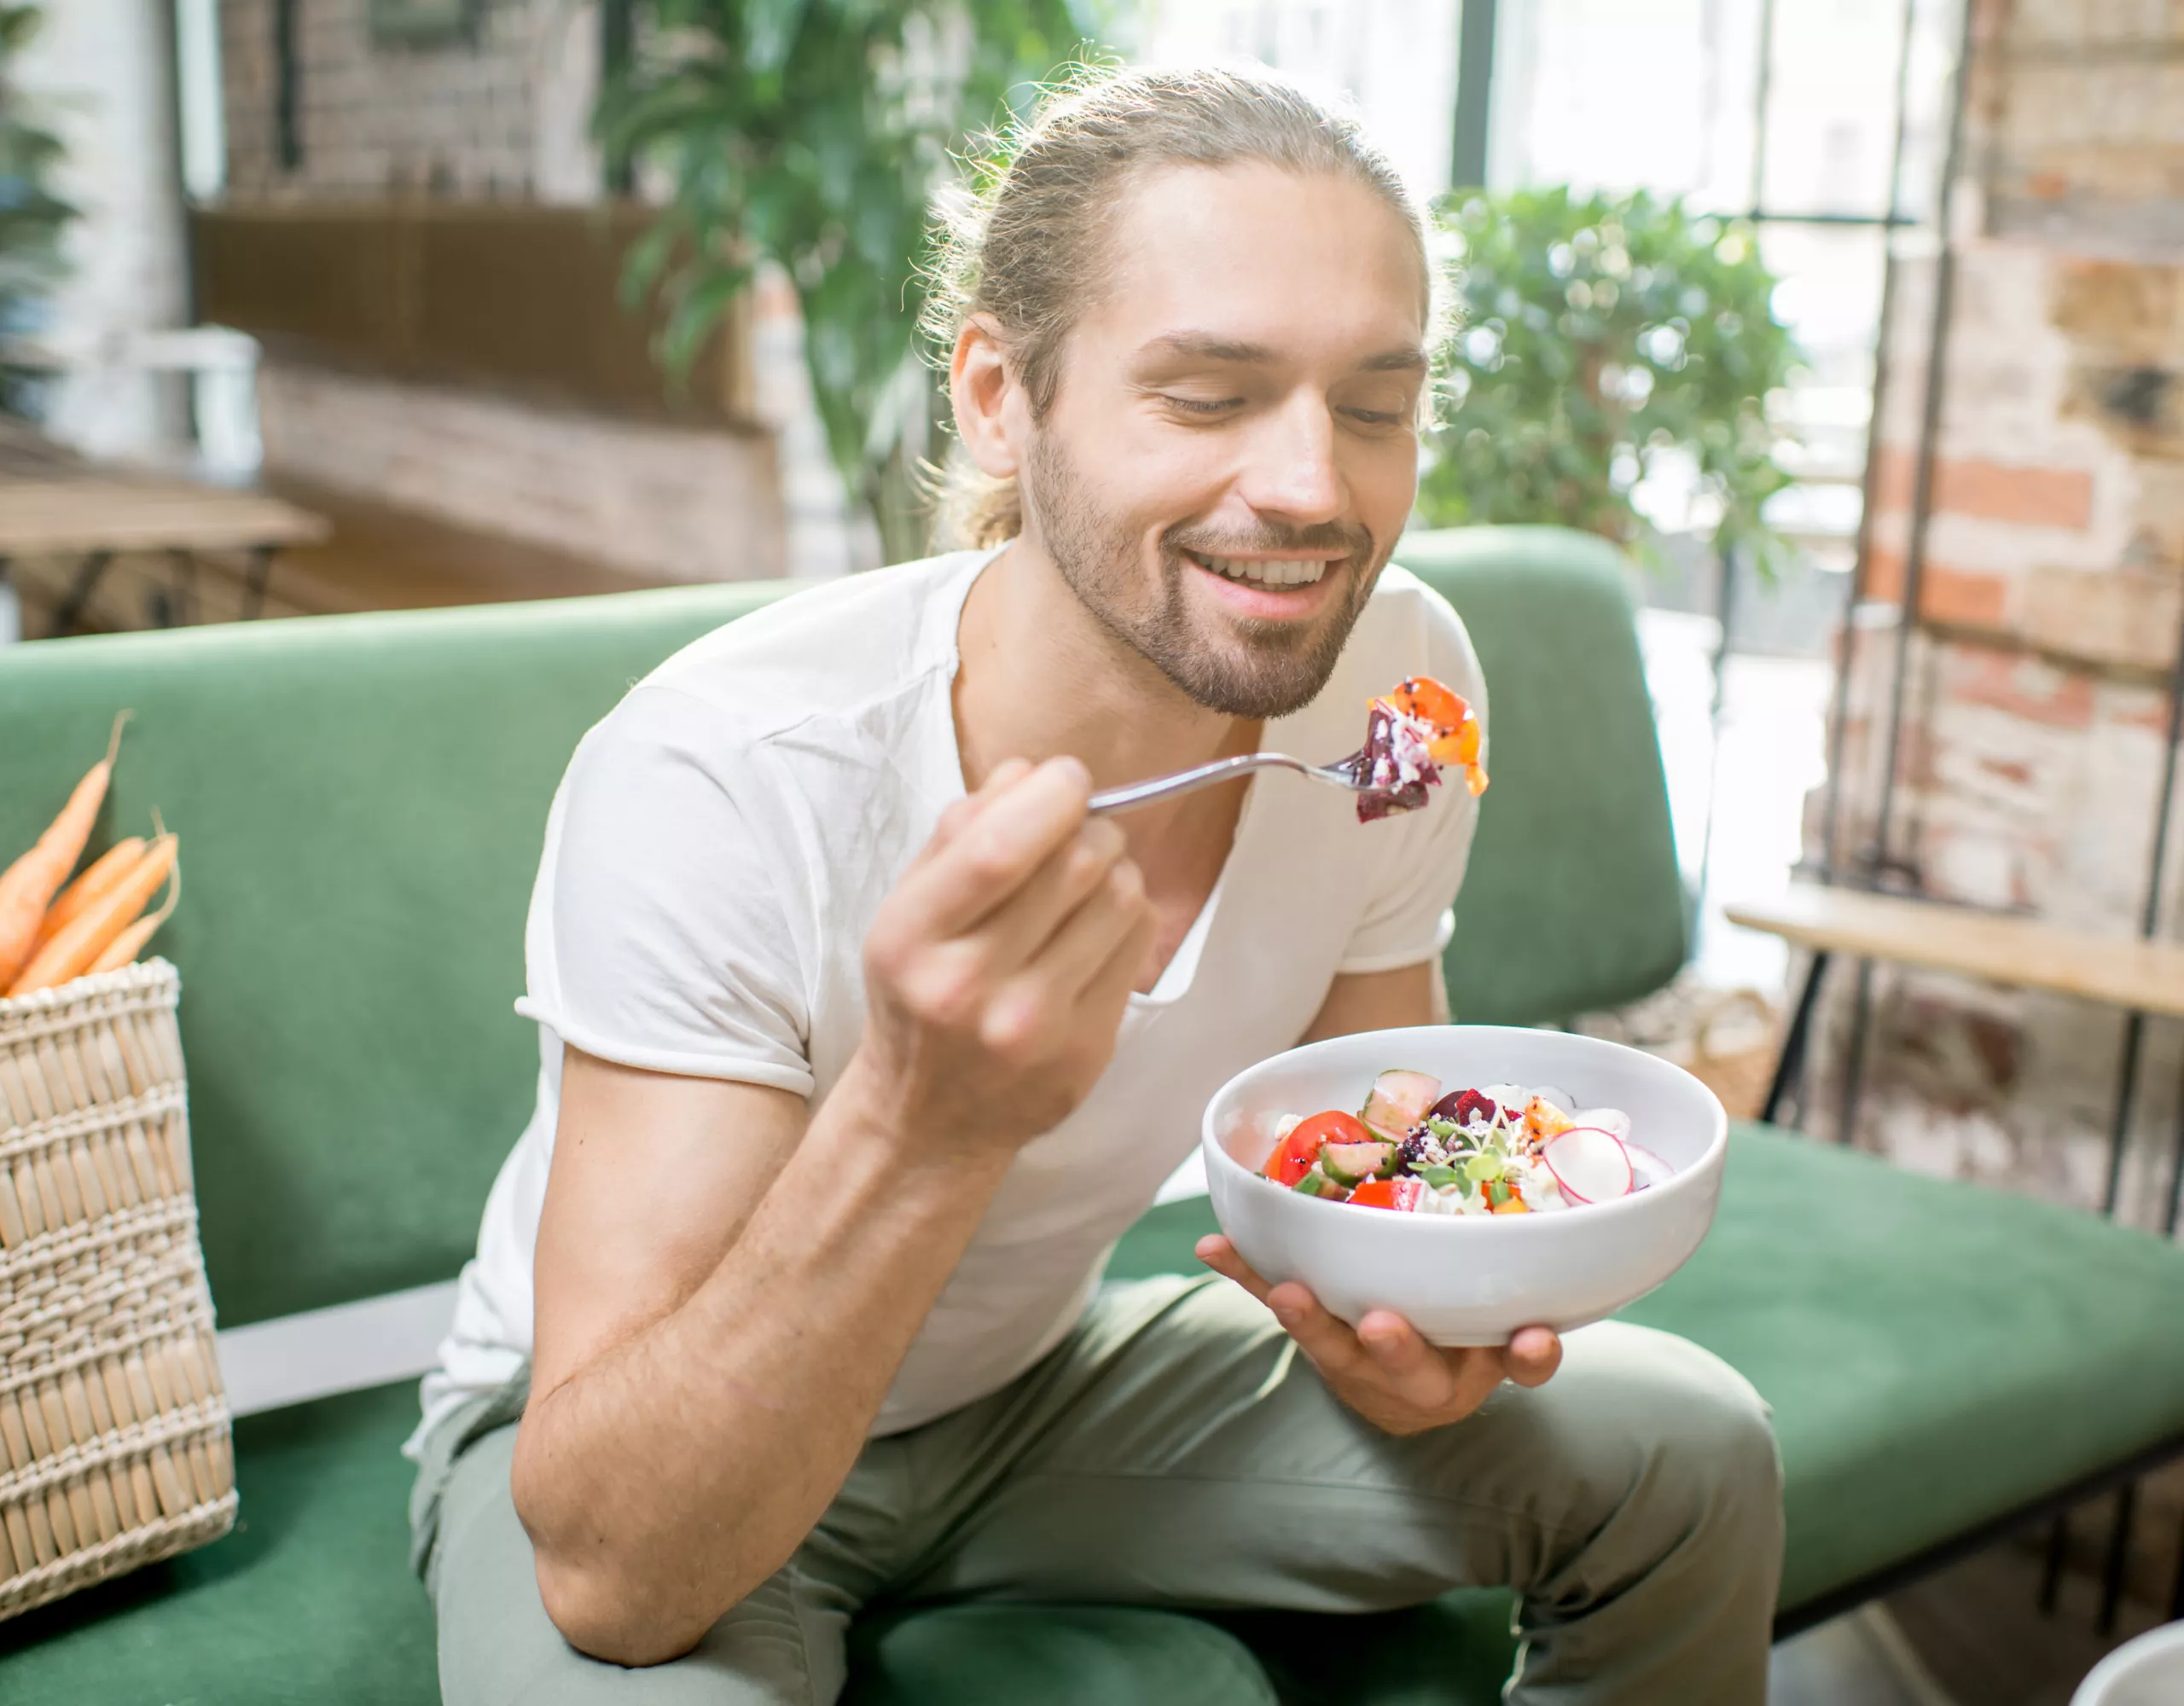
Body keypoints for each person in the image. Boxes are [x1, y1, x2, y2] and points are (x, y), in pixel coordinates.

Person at [407, 63, 1783, 1705]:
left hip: (1030, 1392)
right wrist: (922, 1118)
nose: (1316, 489)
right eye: (1207, 396)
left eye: (1374, 406)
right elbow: (618, 1572)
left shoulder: (1399, 690)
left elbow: (1372, 1143)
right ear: (1000, 396)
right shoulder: (727, 770)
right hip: (653, 1437)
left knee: (1690, 1449)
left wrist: (1416, 1326)